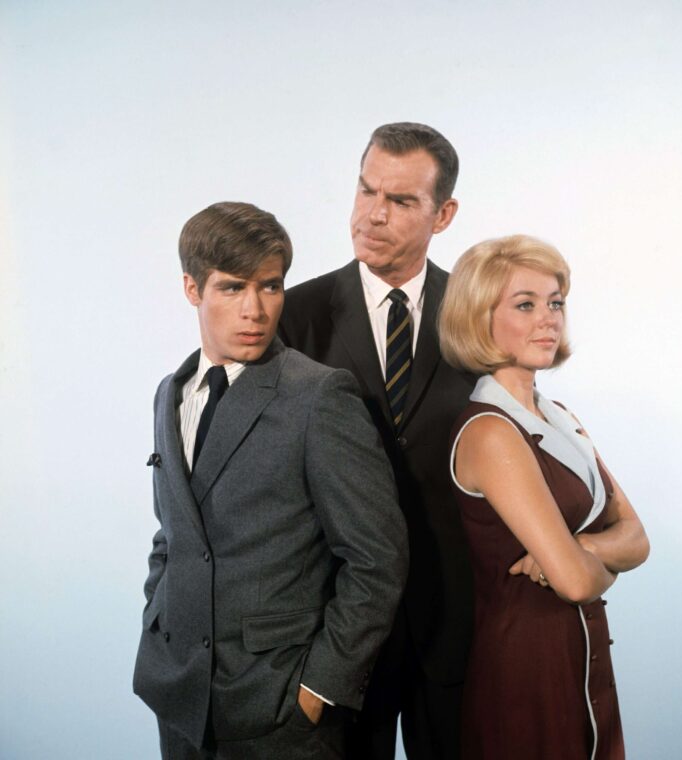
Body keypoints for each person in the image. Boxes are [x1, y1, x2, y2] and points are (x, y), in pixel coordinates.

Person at [133, 201, 408, 760]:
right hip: (179, 695)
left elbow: (378, 558)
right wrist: (157, 621)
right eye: (233, 289)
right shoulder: (171, 392)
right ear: (192, 290)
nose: (256, 310)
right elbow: (174, 534)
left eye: (271, 286)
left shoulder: (319, 396)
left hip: (282, 707)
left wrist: (321, 686)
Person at [278, 123, 476, 760]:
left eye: (401, 201)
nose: (373, 215)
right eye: (367, 191)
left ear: (443, 215)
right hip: (334, 623)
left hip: (453, 616)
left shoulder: (478, 311)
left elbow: (518, 433)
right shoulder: (292, 316)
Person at [439, 234, 650, 760]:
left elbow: (638, 538)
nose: (549, 319)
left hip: (582, 659)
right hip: (525, 672)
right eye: (526, 304)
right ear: (478, 316)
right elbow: (577, 583)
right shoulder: (489, 431)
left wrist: (581, 549)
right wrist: (588, 560)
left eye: (555, 302)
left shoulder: (559, 415)